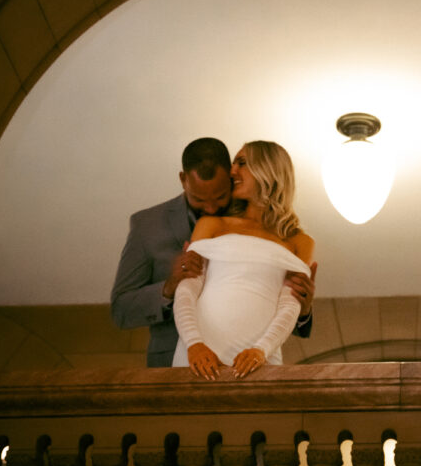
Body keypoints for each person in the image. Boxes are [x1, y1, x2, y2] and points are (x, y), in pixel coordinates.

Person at [111, 137, 315, 367]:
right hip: (178, 356)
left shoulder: (291, 237)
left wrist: (304, 309)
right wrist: (169, 287)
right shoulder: (147, 225)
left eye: (220, 197)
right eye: (199, 199)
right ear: (183, 179)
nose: (210, 208)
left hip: (255, 354)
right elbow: (121, 310)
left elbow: (273, 297)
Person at [172, 140, 315, 378]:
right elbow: (188, 288)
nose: (232, 171)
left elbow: (289, 305)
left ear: (267, 168)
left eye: (241, 163)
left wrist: (261, 350)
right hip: (198, 356)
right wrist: (194, 344)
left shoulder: (300, 242)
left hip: (259, 361)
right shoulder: (211, 224)